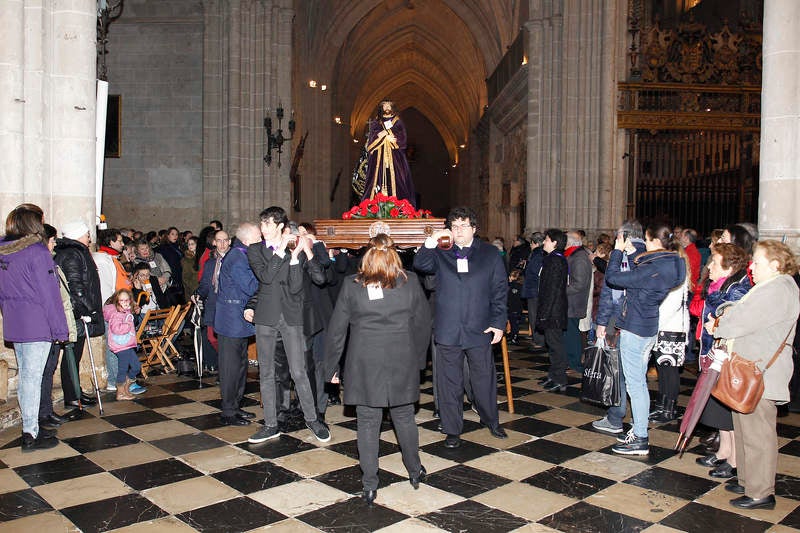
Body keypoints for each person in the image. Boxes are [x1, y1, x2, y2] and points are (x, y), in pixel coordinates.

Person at [325, 234, 432, 504]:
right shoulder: (410, 282)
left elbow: (336, 331)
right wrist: (418, 362)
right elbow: (423, 326)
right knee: (405, 418)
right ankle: (414, 471)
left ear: (367, 256)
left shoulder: (352, 285)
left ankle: (370, 483)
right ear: (394, 255)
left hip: (363, 363)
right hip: (402, 360)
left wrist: (331, 367)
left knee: (368, 422)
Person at [708, 240, 799, 510]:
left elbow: (739, 320)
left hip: (761, 374)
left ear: (775, 264)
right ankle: (747, 480)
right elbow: (737, 312)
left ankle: (761, 492)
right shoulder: (769, 287)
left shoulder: (778, 289)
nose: (751, 267)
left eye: (757, 262)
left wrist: (721, 321)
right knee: (745, 428)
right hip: (749, 370)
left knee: (759, 435)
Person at [413, 206, 508, 449]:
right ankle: (452, 429)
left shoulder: (489, 254)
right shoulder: (442, 252)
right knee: (449, 382)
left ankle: (491, 420)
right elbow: (421, 264)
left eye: (463, 226)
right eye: (454, 226)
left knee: (483, 378)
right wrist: (432, 239)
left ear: (474, 229)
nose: (459, 231)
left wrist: (498, 324)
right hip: (448, 329)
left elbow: (499, 291)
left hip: (480, 328)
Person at [245, 206, 330, 444]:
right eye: (261, 224)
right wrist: (281, 251)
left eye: (268, 224)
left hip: (292, 318)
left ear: (280, 227)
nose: (263, 229)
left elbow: (297, 287)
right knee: (267, 373)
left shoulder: (294, 250)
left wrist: (296, 257)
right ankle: (271, 424)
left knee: (299, 371)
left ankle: (312, 419)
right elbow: (265, 278)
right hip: (266, 318)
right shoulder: (255, 250)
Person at [604, 223, 685, 455]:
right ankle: (638, 430)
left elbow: (614, 277)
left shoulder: (653, 270)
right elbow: (643, 268)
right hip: (648, 325)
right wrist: (631, 252)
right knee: (638, 383)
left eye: (648, 241)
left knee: (636, 385)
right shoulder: (669, 263)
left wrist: (618, 251)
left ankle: (640, 437)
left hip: (635, 329)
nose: (646, 245)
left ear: (657, 243)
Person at [0, 204, 67, 451]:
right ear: (33, 224)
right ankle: (30, 433)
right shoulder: (36, 253)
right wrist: (61, 330)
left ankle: (31, 428)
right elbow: (50, 295)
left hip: (15, 321)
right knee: (32, 377)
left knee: (29, 377)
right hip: (38, 323)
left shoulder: (5, 251)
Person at [692, 244, 751, 477]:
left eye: (714, 262)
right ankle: (724, 451)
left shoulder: (736, 290)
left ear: (728, 267)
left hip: (727, 355)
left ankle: (735, 460)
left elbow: (732, 321)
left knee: (728, 406)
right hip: (712, 351)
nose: (710, 266)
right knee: (718, 406)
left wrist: (715, 323)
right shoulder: (719, 286)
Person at [591, 220, 646, 435]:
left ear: (625, 237)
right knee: (637, 377)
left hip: (619, 320)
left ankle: (615, 418)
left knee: (617, 372)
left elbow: (609, 290)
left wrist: (602, 322)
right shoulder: (650, 256)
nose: (615, 241)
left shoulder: (621, 256)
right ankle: (639, 422)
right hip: (644, 323)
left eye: (618, 237)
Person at [54, 220, 104, 408]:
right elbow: (76, 287)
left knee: (75, 354)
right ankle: (72, 395)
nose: (90, 237)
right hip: (76, 312)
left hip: (79, 311)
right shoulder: (72, 254)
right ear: (78, 235)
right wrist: (89, 309)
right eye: (87, 233)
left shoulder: (76, 251)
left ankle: (76, 391)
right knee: (71, 354)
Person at [215, 223, 261, 426]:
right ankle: (228, 411)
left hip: (238, 322)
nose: (261, 241)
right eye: (258, 237)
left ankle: (235, 405)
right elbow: (250, 286)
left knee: (240, 366)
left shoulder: (241, 255)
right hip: (231, 322)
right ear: (247, 240)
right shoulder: (238, 258)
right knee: (230, 368)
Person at [39, 224, 77, 429]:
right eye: (52, 240)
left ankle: (46, 411)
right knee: (43, 372)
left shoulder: (51, 263)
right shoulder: (42, 264)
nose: (55, 243)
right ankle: (42, 414)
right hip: (46, 328)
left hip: (54, 326)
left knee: (48, 370)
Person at [362, 100, 416, 205]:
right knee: (375, 180)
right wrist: (384, 135)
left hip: (395, 157)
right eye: (384, 105)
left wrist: (392, 137)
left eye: (389, 105)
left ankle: (399, 206)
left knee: (398, 179)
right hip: (378, 157)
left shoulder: (397, 122)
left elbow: (402, 138)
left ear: (392, 107)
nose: (386, 107)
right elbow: (372, 138)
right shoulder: (376, 122)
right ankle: (373, 205)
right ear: (381, 108)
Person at [535, 229, 569, 392]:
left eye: (547, 240)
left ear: (555, 242)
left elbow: (553, 290)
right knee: (552, 344)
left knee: (556, 345)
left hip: (553, 311)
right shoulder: (552, 259)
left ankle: (560, 378)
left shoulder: (556, 261)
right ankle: (553, 375)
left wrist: (544, 313)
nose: (544, 243)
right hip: (551, 309)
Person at [103, 289, 144, 400]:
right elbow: (116, 329)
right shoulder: (116, 314)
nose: (125, 302)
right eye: (122, 300)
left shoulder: (126, 312)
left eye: (127, 300)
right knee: (123, 368)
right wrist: (127, 325)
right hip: (121, 346)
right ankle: (120, 392)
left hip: (128, 344)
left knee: (136, 366)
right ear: (117, 302)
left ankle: (127, 383)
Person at [521, 232, 545, 349]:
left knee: (534, 315)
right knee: (534, 314)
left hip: (535, 290)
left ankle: (539, 340)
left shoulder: (537, 255)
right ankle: (538, 338)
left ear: (535, 243)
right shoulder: (538, 254)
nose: (530, 245)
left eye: (531, 243)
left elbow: (535, 272)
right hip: (535, 289)